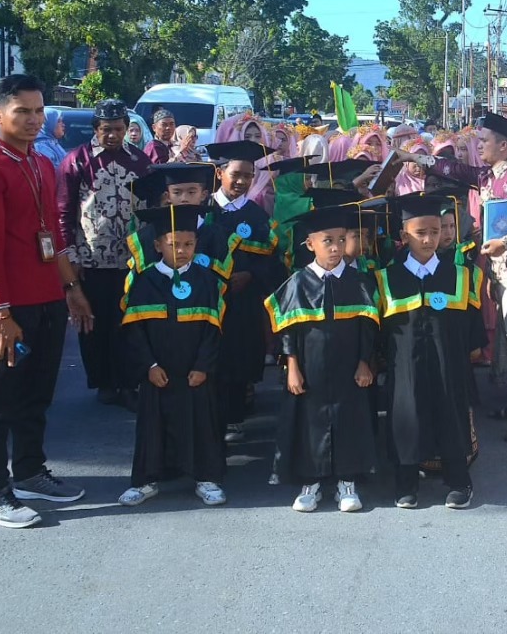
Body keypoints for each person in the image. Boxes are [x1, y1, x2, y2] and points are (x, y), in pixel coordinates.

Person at [0, 74, 94, 527]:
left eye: (39, 110)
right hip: (8, 307)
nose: (34, 119)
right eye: (22, 111)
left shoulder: (41, 163)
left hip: (46, 299)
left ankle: (29, 473)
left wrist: (71, 289)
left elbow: (53, 237)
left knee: (36, 395)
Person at [424, 113, 507, 440]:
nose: (478, 146)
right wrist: (416, 159)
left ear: (504, 146)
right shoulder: (488, 175)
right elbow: (454, 170)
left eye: (484, 141)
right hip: (501, 268)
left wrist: (504, 242)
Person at [268, 204, 380, 514]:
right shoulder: (298, 282)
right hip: (310, 366)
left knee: (349, 419)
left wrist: (364, 361)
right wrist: (292, 366)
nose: (335, 247)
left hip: (349, 365)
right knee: (310, 420)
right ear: (310, 244)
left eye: (341, 240)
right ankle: (312, 482)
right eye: (327, 240)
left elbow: (368, 327)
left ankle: (347, 481)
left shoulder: (358, 281)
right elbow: (288, 329)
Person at [377, 193, 482, 510]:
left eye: (435, 232)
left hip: (448, 363)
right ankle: (406, 482)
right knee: (407, 418)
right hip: (404, 367)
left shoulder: (459, 275)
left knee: (450, 415)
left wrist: (472, 353)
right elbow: (380, 332)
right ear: (403, 235)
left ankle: (459, 481)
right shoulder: (387, 279)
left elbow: (472, 323)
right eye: (420, 233)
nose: (429, 239)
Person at [118, 205, 227, 508]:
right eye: (173, 244)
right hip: (158, 371)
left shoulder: (206, 280)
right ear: (157, 245)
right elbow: (134, 330)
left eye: (188, 244)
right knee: (152, 425)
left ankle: (206, 478)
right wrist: (149, 365)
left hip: (194, 371)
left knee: (201, 422)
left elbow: (213, 329)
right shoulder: (145, 281)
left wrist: (203, 365)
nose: (181, 250)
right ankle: (145, 481)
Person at [58, 98, 152, 406]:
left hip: (130, 258)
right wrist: (71, 258)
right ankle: (104, 382)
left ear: (127, 128)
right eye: (106, 130)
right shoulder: (77, 160)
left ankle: (128, 383)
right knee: (94, 323)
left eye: (118, 129)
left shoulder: (140, 161)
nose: (112, 135)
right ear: (95, 129)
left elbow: (151, 207)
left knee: (128, 322)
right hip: (91, 259)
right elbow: (63, 212)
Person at [205, 140, 281, 443]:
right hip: (206, 299)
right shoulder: (203, 210)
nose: (241, 181)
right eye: (235, 174)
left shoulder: (256, 216)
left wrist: (250, 275)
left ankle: (235, 415)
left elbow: (272, 262)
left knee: (238, 354)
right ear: (220, 173)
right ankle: (208, 417)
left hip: (242, 300)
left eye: (248, 175)